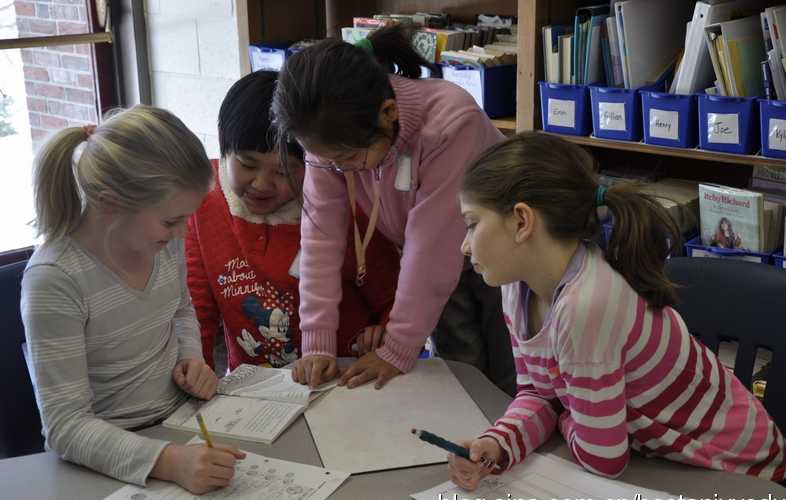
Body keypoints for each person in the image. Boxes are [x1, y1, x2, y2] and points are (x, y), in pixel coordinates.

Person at [449, 132, 786, 490]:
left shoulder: (586, 306)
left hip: (737, 469)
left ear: (521, 221)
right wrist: (499, 444)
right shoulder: (515, 287)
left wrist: (562, 415)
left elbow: (603, 459)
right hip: (663, 459)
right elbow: (538, 395)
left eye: (472, 224)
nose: (464, 246)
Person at [272, 26, 515, 392]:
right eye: (329, 161)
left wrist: (397, 348)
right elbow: (320, 240)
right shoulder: (330, 141)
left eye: (349, 159)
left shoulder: (449, 122)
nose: (341, 169)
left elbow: (431, 247)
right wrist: (317, 343)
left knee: (511, 374)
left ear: (388, 113)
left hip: (508, 255)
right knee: (459, 375)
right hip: (440, 264)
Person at [21, 106, 245, 494]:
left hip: (176, 425)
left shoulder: (161, 244)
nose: (181, 234)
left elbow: (180, 309)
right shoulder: (55, 281)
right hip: (106, 456)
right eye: (171, 221)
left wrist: (190, 358)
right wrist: (168, 462)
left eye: (185, 220)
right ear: (110, 203)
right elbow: (65, 426)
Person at [186, 70, 399, 372]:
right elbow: (198, 311)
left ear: (316, 162)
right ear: (223, 144)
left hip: (342, 379)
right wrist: (199, 375)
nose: (261, 184)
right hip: (257, 391)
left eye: (284, 172)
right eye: (247, 164)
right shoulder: (205, 199)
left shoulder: (343, 206)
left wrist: (385, 334)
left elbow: (393, 295)